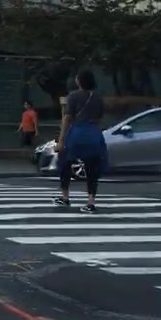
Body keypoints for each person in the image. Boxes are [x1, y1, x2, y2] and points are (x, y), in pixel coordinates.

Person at [56, 69, 108, 213]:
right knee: (92, 168)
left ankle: (65, 196)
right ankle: (91, 202)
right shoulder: (98, 98)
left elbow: (67, 118)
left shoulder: (73, 96)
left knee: (65, 162)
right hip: (93, 134)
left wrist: (61, 140)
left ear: (79, 81)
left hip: (77, 133)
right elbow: (99, 118)